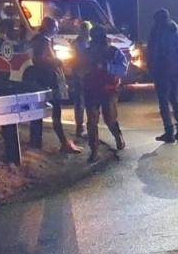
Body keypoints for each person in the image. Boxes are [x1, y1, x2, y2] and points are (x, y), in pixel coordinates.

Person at [25, 17, 80, 153]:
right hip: (48, 81)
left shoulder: (43, 41)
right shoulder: (43, 42)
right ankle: (61, 143)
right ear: (48, 28)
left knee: (46, 113)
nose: (57, 29)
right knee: (55, 113)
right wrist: (56, 61)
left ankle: (37, 143)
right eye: (55, 27)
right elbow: (39, 59)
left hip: (46, 81)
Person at [80, 29, 128, 162]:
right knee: (92, 121)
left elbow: (123, 68)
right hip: (91, 89)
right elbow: (77, 68)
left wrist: (106, 67)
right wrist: (86, 70)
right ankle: (94, 150)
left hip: (108, 90)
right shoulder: (86, 53)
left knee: (110, 118)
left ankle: (118, 136)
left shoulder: (114, 52)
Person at [146, 7, 178, 142]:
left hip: (162, 70)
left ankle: (169, 131)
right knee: (174, 98)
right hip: (177, 69)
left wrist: (151, 69)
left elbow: (153, 52)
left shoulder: (157, 32)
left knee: (163, 101)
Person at [71, 21, 95, 138]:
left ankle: (82, 127)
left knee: (81, 101)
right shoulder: (82, 44)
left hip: (81, 73)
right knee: (83, 101)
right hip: (82, 74)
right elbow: (84, 57)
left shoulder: (79, 42)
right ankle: (81, 127)